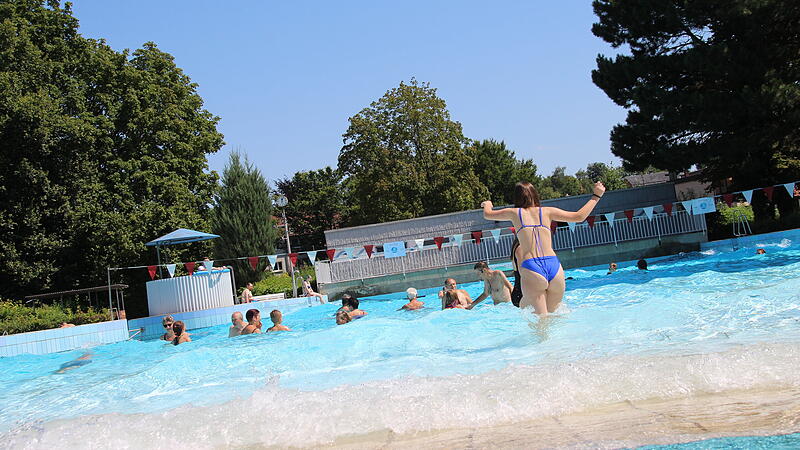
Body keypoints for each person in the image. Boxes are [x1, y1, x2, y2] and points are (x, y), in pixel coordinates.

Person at [481, 181, 605, 314]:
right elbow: (579, 216)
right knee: (555, 316)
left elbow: (488, 214)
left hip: (532, 266)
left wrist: (487, 205)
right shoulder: (548, 211)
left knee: (541, 321)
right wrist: (596, 196)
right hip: (554, 267)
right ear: (535, 195)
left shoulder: (514, 213)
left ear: (516, 198)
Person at [509, 237, 523, 307]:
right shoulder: (520, 248)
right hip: (521, 292)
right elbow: (523, 272)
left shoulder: (516, 246)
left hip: (518, 291)